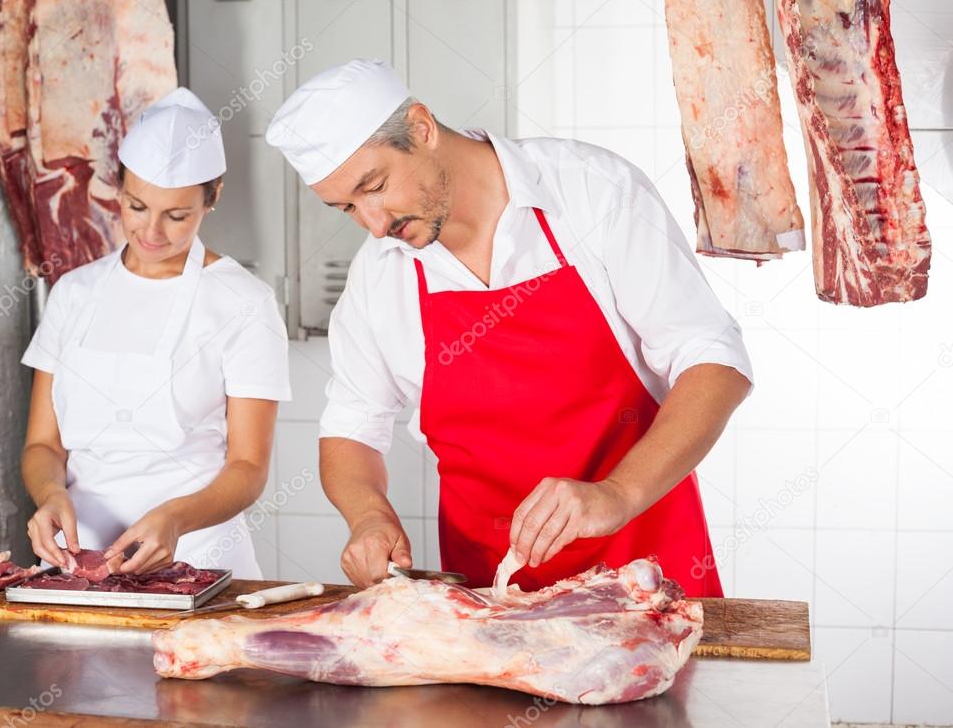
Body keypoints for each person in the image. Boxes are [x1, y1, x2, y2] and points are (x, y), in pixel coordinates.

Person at [267, 60, 751, 596]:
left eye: (375, 186)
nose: (375, 225)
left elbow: (714, 361)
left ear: (422, 128)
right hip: (492, 598)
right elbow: (352, 427)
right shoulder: (380, 273)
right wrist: (368, 516)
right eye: (347, 208)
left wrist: (616, 494)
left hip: (648, 575)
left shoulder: (591, 192)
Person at [21, 88, 291, 578]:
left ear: (214, 197)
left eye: (177, 215)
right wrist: (50, 494)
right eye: (136, 206)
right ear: (118, 190)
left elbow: (249, 469)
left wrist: (175, 519)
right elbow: (43, 445)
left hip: (198, 560)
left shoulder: (244, 303)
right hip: (77, 566)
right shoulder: (73, 293)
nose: (152, 232)